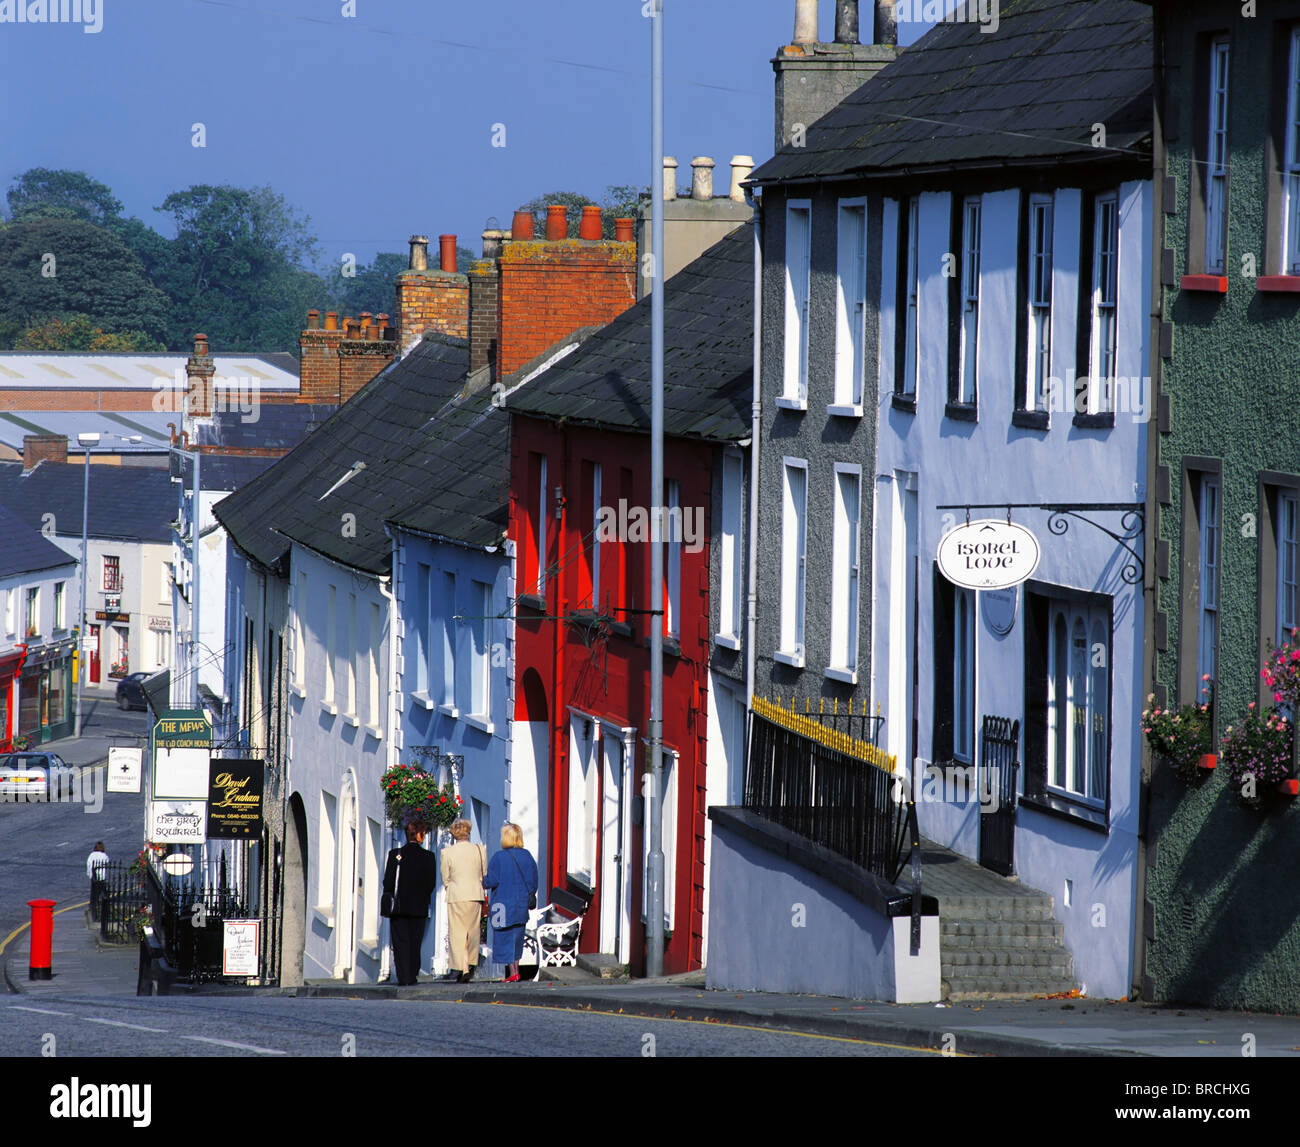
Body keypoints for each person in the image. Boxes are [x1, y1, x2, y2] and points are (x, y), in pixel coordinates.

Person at [382, 819, 439, 986]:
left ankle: (403, 976)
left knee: (400, 942)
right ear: (420, 835)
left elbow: (387, 882)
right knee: (415, 942)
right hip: (419, 907)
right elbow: (431, 883)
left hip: (398, 906)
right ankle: (412, 974)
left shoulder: (395, 854)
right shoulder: (429, 857)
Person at [483, 822, 537, 983]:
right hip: (520, 905)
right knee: (516, 939)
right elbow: (533, 882)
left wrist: (481, 879)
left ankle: (512, 973)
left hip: (502, 905)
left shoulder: (499, 857)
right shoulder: (527, 856)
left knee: (504, 938)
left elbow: (490, 881)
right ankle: (516, 971)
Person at [440, 818, 487, 983]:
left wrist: (451, 886)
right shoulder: (480, 849)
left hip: (456, 894)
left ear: (454, 834)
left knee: (457, 933)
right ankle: (469, 965)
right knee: (472, 931)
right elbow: (483, 873)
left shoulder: (447, 853)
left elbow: (445, 877)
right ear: (468, 832)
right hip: (475, 893)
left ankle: (462, 966)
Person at [86, 842, 110, 922]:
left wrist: (90, 876)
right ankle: (105, 913)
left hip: (94, 878)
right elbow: (107, 862)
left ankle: (94, 915)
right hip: (102, 878)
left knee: (94, 897)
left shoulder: (91, 855)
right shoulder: (104, 856)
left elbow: (89, 866)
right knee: (104, 896)